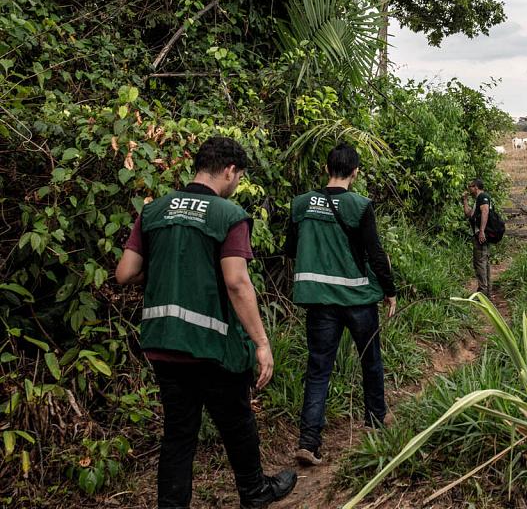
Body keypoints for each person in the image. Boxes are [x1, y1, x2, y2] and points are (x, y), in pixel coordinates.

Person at [115, 136, 296, 509]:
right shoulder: (227, 215)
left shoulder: (154, 211)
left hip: (163, 343)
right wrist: (261, 343)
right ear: (229, 170)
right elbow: (236, 281)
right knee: (237, 422)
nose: (236, 184)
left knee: (178, 434)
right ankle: (254, 492)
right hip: (212, 347)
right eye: (239, 176)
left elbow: (125, 273)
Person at [286, 142, 397, 467]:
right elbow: (374, 253)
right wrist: (389, 290)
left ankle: (309, 441)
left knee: (319, 369)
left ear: (326, 169)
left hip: (319, 302)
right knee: (370, 359)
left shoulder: (302, 203)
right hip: (357, 299)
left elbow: (291, 248)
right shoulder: (359, 205)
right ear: (355, 172)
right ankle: (375, 419)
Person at [462, 178, 491, 297]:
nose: (469, 189)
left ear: (476, 187)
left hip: (481, 235)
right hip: (478, 234)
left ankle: (483, 293)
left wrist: (482, 231)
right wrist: (465, 201)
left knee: (480, 263)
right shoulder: (477, 200)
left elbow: (485, 212)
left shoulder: (483, 196)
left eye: (470, 186)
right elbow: (469, 214)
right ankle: (486, 290)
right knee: (482, 261)